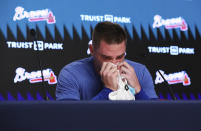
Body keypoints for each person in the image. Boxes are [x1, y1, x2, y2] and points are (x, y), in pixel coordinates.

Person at [56, 21, 158, 100]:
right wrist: (108, 90)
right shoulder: (71, 74)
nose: (114, 63)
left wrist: (138, 90)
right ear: (92, 50)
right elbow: (69, 118)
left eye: (119, 57)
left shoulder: (140, 72)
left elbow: (156, 116)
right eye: (107, 58)